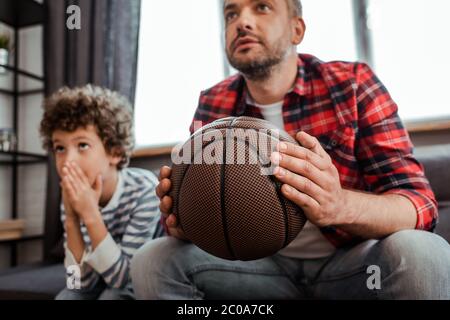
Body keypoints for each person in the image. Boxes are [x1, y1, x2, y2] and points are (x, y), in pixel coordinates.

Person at [131, 0, 450, 299]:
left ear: (297, 29)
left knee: (421, 252)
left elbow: (418, 206)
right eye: (231, 14)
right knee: (153, 260)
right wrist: (185, 220)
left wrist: (339, 205)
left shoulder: (351, 83)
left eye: (262, 7)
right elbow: (189, 229)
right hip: (259, 269)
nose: (242, 22)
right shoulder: (214, 103)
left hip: (353, 264)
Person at [40, 85, 164, 300]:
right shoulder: (72, 197)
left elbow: (123, 280)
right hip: (105, 278)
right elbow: (78, 283)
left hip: (140, 281)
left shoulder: (144, 190)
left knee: (112, 296)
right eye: (60, 148)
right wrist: (71, 218)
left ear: (114, 152)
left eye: (82, 145)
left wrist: (90, 215)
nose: (68, 161)